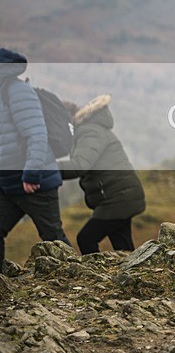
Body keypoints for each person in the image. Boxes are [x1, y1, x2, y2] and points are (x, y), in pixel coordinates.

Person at [0, 48, 71, 266]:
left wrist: (31, 173)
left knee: (52, 237)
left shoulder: (16, 91)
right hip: (7, 183)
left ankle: (78, 278)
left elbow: (37, 134)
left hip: (35, 182)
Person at [59, 95, 146, 254]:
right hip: (121, 196)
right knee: (123, 247)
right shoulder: (90, 129)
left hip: (117, 199)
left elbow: (79, 165)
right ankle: (133, 276)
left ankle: (94, 274)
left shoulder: (89, 131)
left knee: (86, 238)